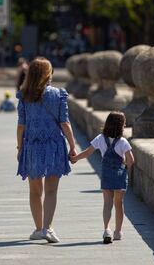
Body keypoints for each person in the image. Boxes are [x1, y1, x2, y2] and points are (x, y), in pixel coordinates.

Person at [16, 57, 76, 243]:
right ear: (48, 74)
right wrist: (73, 146)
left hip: (32, 146)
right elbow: (65, 123)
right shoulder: (58, 95)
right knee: (51, 190)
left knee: (35, 191)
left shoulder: (24, 96)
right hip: (54, 146)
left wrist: (20, 148)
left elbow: (21, 125)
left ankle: (38, 228)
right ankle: (47, 228)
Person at [70, 112, 134, 244]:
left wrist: (75, 158)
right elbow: (131, 160)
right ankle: (118, 232)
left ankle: (107, 229)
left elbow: (87, 152)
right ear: (121, 126)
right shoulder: (123, 142)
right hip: (119, 175)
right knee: (119, 204)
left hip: (106, 174)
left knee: (107, 204)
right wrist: (125, 168)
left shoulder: (100, 138)